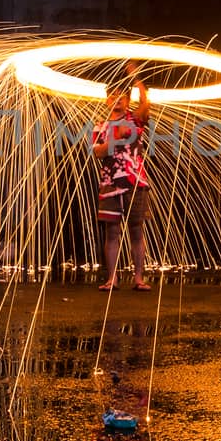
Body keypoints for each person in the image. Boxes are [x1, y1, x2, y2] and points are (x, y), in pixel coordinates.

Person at [91, 60, 151, 291]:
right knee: (112, 232)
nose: (117, 99)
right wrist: (117, 137)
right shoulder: (100, 126)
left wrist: (136, 76)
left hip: (135, 183)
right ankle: (112, 278)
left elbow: (146, 104)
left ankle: (138, 278)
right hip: (109, 185)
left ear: (127, 100)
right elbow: (97, 152)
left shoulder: (135, 119)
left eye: (122, 96)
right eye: (112, 95)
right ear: (107, 100)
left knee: (136, 229)